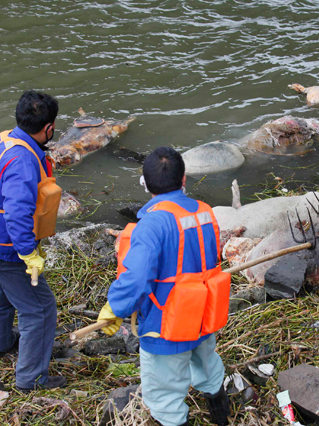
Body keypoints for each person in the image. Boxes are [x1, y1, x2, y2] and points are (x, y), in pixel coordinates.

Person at [97, 147, 230, 426]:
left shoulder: (152, 225)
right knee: (208, 366)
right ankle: (221, 417)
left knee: (164, 398)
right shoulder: (204, 212)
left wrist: (115, 308)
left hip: (167, 323)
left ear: (145, 184)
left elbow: (136, 280)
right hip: (203, 312)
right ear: (184, 180)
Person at [0, 90, 66, 391]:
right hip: (6, 249)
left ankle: (0, 345)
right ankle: (31, 379)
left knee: (0, 291)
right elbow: (17, 215)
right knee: (40, 309)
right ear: (48, 128)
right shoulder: (23, 163)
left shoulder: (1, 139)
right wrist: (28, 255)